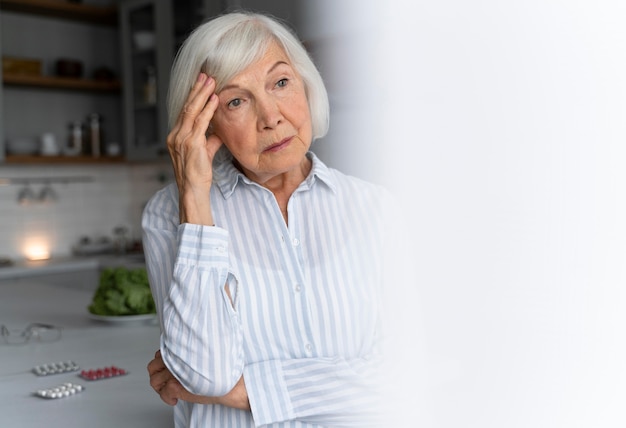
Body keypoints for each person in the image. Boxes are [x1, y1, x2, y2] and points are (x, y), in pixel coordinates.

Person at [142, 10, 399, 427]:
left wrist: (244, 391)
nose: (271, 117)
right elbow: (203, 374)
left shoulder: (376, 208)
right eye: (236, 101)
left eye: (280, 83)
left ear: (306, 84)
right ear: (205, 125)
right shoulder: (167, 214)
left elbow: (407, 374)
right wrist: (194, 197)